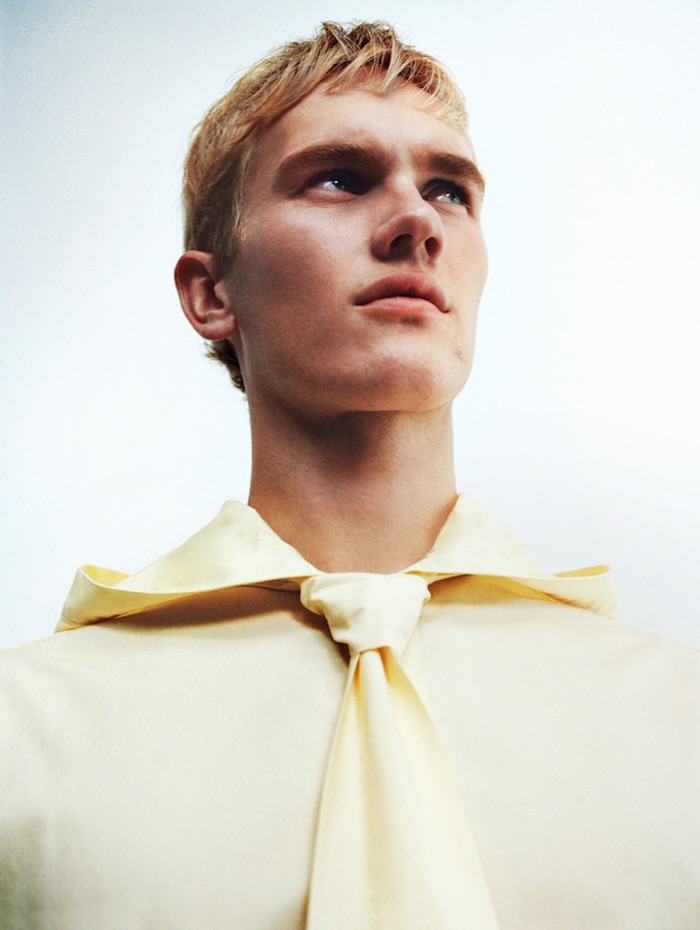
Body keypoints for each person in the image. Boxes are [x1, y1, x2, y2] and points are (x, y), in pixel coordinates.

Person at [1, 21, 699, 930]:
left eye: (449, 190)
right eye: (339, 177)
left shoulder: (680, 719)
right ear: (211, 294)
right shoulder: (23, 728)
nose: (418, 222)